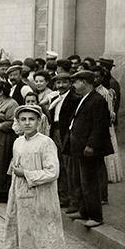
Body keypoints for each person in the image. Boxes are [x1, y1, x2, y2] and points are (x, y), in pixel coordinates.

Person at [6, 105, 66, 249]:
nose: (27, 123)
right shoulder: (18, 142)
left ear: (38, 121)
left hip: (42, 200)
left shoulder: (46, 143)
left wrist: (27, 174)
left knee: (44, 241)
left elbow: (53, 172)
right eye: (23, 119)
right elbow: (15, 167)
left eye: (31, 119)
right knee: (23, 238)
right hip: (21, 198)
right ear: (19, 122)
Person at [64, 70, 112, 228]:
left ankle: (96, 216)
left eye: (76, 82)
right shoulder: (85, 98)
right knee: (82, 181)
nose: (74, 85)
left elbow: (100, 126)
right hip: (80, 148)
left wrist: (91, 145)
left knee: (90, 182)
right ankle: (84, 211)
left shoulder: (97, 100)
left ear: (84, 82)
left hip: (89, 149)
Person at [47, 71, 79, 208]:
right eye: (58, 82)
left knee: (68, 166)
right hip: (55, 131)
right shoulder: (55, 99)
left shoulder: (74, 98)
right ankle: (62, 196)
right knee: (57, 163)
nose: (61, 85)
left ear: (70, 83)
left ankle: (73, 199)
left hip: (66, 133)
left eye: (64, 82)